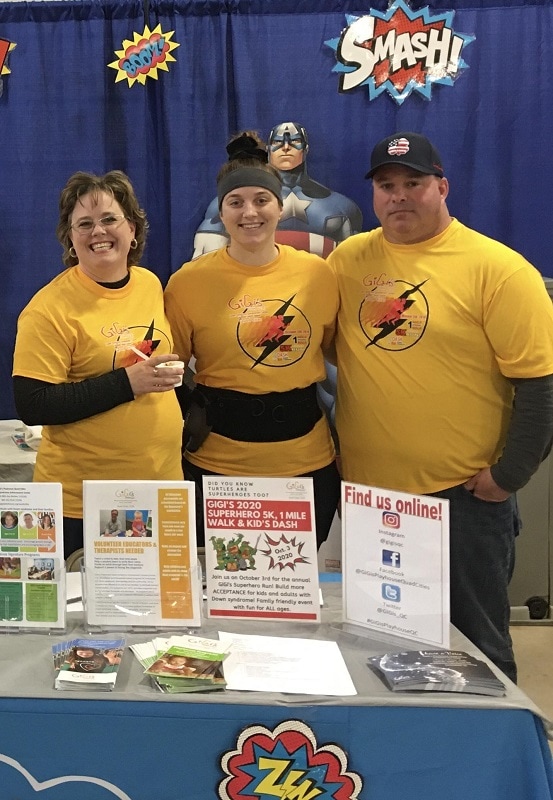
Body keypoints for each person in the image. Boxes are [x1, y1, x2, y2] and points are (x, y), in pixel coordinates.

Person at [327, 131, 553, 683]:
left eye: (414, 183)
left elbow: (542, 385)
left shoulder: (498, 268)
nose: (399, 196)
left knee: (476, 654)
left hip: (463, 500)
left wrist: (509, 475)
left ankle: (487, 761)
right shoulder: (348, 260)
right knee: (380, 646)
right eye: (387, 185)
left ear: (442, 186)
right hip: (372, 498)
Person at [165, 131, 340, 549]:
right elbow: (167, 374)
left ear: (280, 207)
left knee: (290, 598)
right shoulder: (188, 283)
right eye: (236, 202)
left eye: (261, 200)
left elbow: (336, 350)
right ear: (220, 213)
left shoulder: (319, 275)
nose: (250, 213)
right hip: (217, 472)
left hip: (305, 468)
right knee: (223, 600)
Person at [12, 170, 184, 558]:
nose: (98, 232)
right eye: (84, 224)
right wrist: (127, 383)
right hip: (82, 504)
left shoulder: (149, 284)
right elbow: (34, 404)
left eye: (109, 219)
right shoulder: (48, 310)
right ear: (70, 239)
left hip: (161, 489)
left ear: (133, 229)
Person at [192, 121, 362, 258]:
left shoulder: (341, 207)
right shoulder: (223, 205)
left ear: (306, 148)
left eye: (294, 141)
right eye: (278, 142)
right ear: (268, 149)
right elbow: (204, 268)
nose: (286, 147)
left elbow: (352, 271)